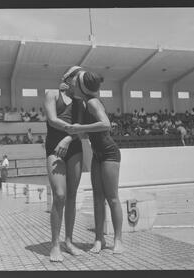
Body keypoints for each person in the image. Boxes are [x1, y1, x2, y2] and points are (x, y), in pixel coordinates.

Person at [63, 66, 123, 254]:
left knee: (112, 198)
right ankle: (99, 239)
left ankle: (118, 240)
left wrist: (80, 128)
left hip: (109, 153)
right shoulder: (83, 102)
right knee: (98, 198)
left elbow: (106, 124)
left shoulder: (93, 103)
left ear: (81, 87)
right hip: (97, 154)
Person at [44, 81, 84, 262]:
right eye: (78, 78)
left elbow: (82, 128)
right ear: (68, 79)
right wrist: (72, 130)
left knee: (72, 195)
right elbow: (52, 120)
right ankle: (55, 245)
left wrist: (68, 138)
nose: (81, 82)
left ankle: (68, 241)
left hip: (74, 147)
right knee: (60, 195)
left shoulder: (80, 102)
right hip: (54, 147)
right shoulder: (52, 93)